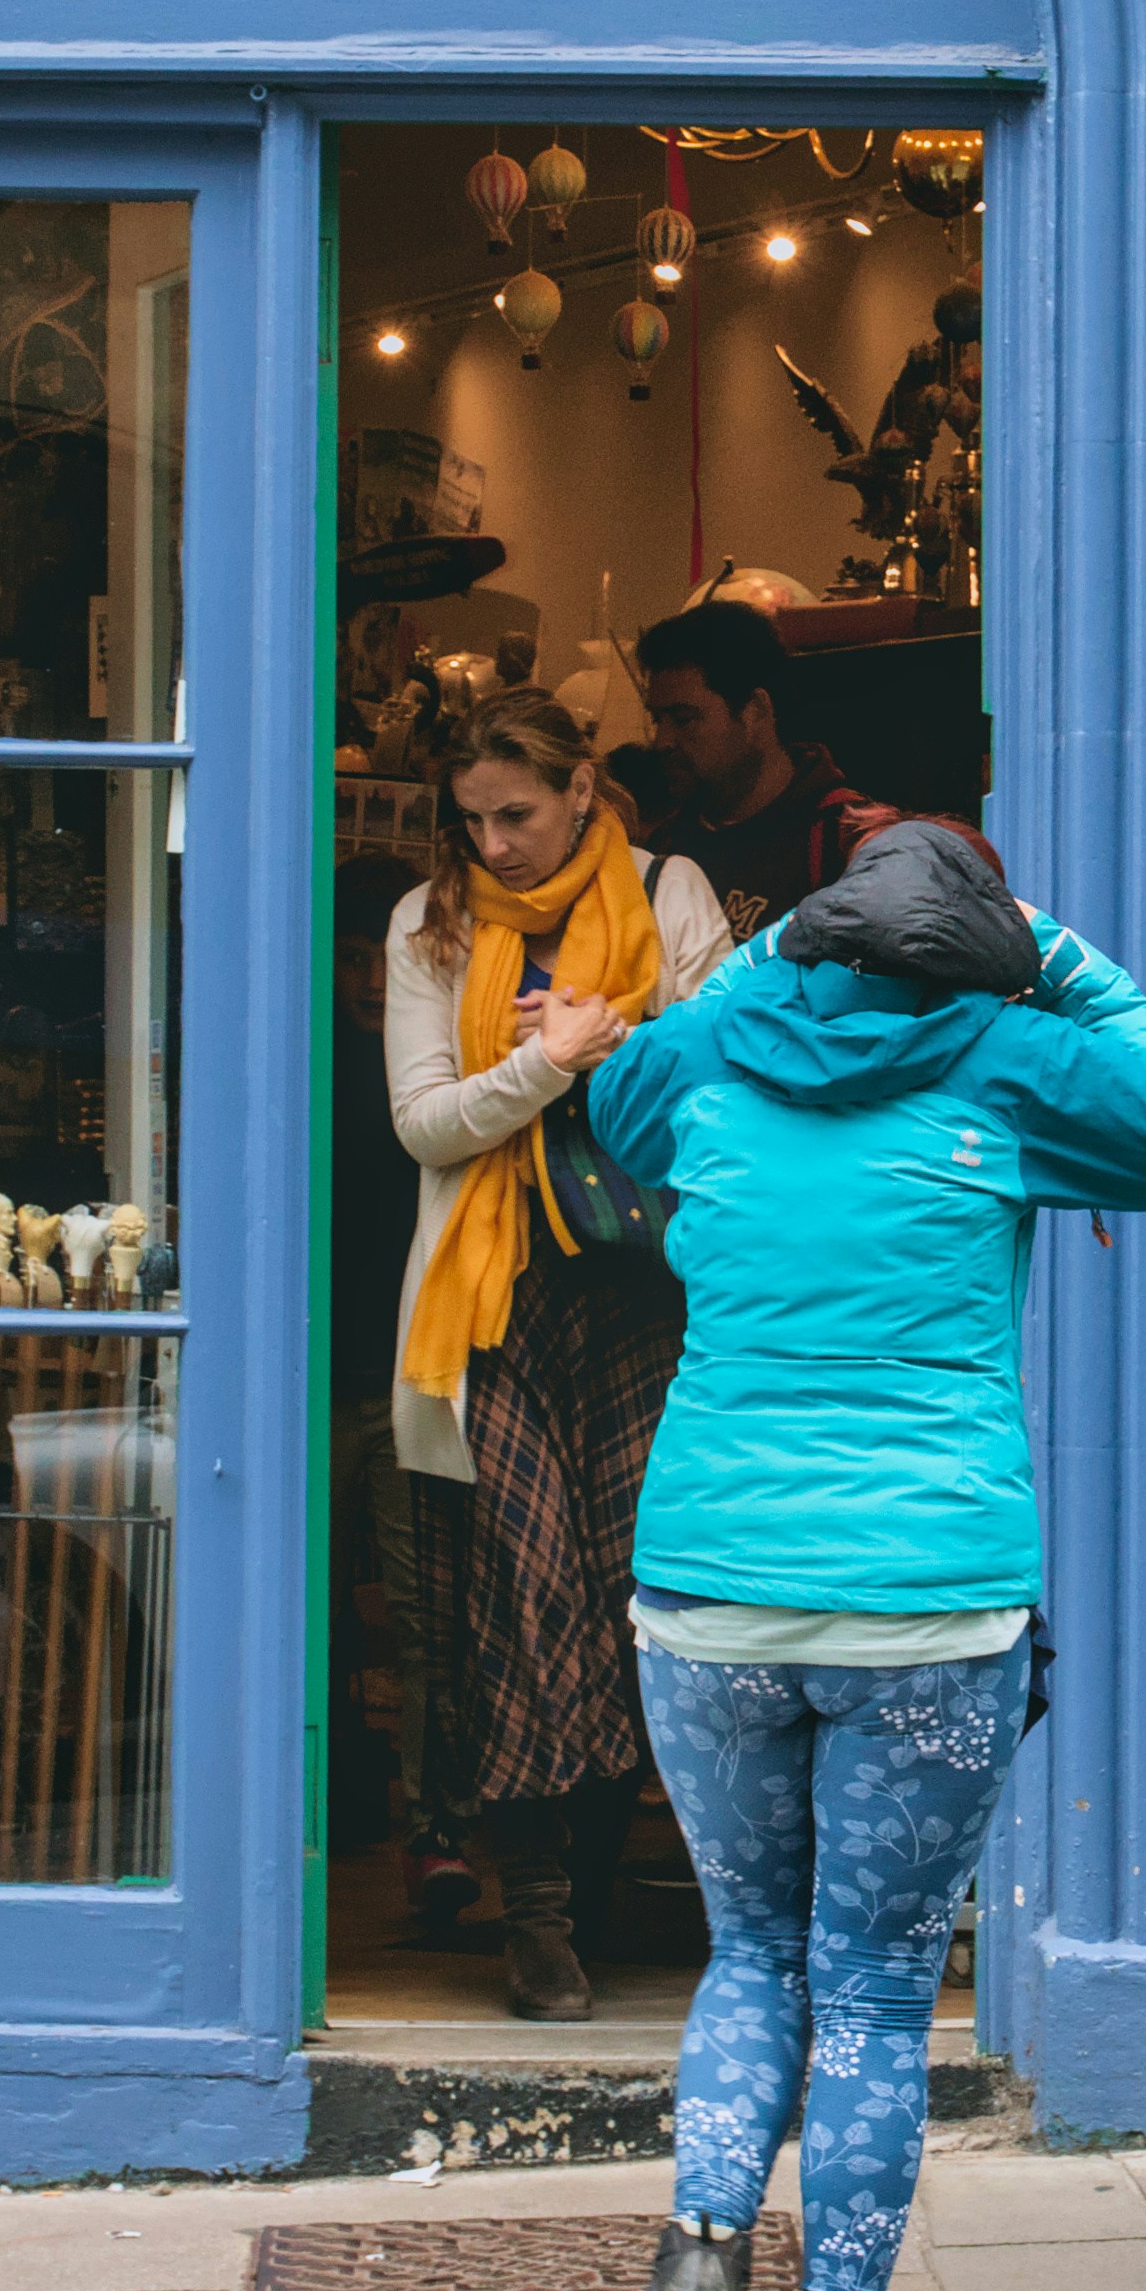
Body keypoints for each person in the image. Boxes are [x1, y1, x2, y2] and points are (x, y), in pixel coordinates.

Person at [594, 815, 1146, 2291]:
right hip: (927, 1606)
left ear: (819, 931)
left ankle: (694, 2260)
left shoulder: (707, 1053)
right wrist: (1054, 950)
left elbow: (608, 1106)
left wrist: (767, 947)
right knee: (878, 1987)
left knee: (749, 1953)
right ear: (981, 951)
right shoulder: (1013, 1055)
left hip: (713, 1591)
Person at [381, 686, 731, 2019]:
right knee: (522, 1603)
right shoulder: (431, 925)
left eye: (517, 813)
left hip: (645, 1295)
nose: (497, 843)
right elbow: (424, 1124)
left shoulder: (669, 892)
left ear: (584, 786)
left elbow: (722, 1085)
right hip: (496, 1303)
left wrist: (610, 1046)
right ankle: (536, 1920)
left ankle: (588, 1888)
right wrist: (544, 1066)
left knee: (633, 1595)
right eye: (471, 820)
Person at [635, 596, 865, 938]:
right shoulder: (666, 845)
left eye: (684, 719)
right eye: (657, 720)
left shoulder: (845, 839)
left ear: (755, 710)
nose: (662, 741)